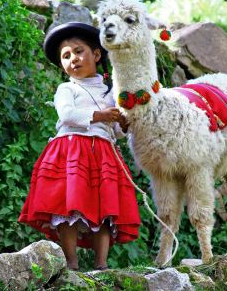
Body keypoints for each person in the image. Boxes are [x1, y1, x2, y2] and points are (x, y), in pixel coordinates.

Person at [18, 22, 141, 271]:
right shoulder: (67, 89)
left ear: (96, 54)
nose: (73, 59)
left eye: (78, 51)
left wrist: (123, 123)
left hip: (103, 152)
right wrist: (101, 116)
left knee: (105, 208)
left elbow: (114, 129)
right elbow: (67, 115)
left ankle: (101, 264)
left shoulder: (110, 94)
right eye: (66, 56)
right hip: (71, 151)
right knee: (69, 205)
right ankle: (71, 263)